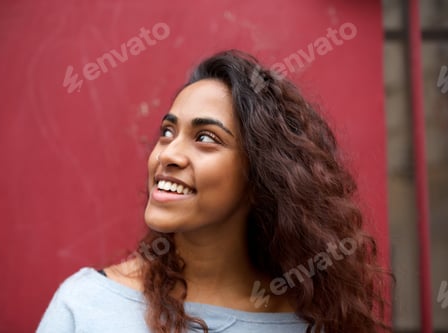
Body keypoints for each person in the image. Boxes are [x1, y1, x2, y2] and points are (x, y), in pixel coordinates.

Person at [37, 50, 392, 333]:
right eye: (167, 132)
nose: (168, 154)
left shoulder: (310, 323)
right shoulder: (86, 305)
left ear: (262, 177)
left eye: (205, 138)